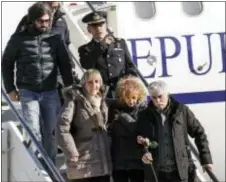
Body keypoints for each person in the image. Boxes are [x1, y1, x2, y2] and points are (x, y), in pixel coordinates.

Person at [2, 2, 74, 164]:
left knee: (50, 131)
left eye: (47, 21)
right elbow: (6, 62)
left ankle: (49, 164)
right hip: (28, 91)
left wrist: (69, 85)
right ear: (32, 20)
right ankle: (34, 165)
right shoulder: (18, 39)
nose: (45, 24)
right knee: (33, 129)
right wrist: (10, 88)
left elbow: (65, 63)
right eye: (41, 21)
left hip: (50, 91)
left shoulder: (55, 39)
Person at [136, 81, 213, 182]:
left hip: (181, 172)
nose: (157, 101)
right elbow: (138, 139)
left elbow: (199, 133)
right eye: (153, 97)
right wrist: (144, 153)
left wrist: (205, 159)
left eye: (160, 96)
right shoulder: (144, 115)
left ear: (167, 94)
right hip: (157, 174)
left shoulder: (181, 111)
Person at [57, 69, 112, 182]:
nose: (94, 85)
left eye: (97, 81)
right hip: (81, 160)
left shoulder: (103, 100)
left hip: (102, 160)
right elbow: (62, 127)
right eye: (90, 82)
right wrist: (71, 152)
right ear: (83, 84)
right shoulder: (74, 100)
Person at [78, 11, 137, 98]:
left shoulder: (120, 43)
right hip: (100, 93)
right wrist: (101, 46)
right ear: (89, 29)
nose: (98, 29)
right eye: (94, 26)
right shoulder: (85, 49)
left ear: (106, 26)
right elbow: (86, 65)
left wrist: (129, 81)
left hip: (121, 91)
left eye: (101, 25)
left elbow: (130, 66)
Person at [108, 76, 147, 182]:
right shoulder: (114, 108)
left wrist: (122, 116)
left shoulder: (143, 111)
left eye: (134, 98)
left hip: (137, 161)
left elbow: (136, 128)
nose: (131, 101)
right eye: (128, 98)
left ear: (139, 96)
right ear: (122, 96)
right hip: (119, 162)